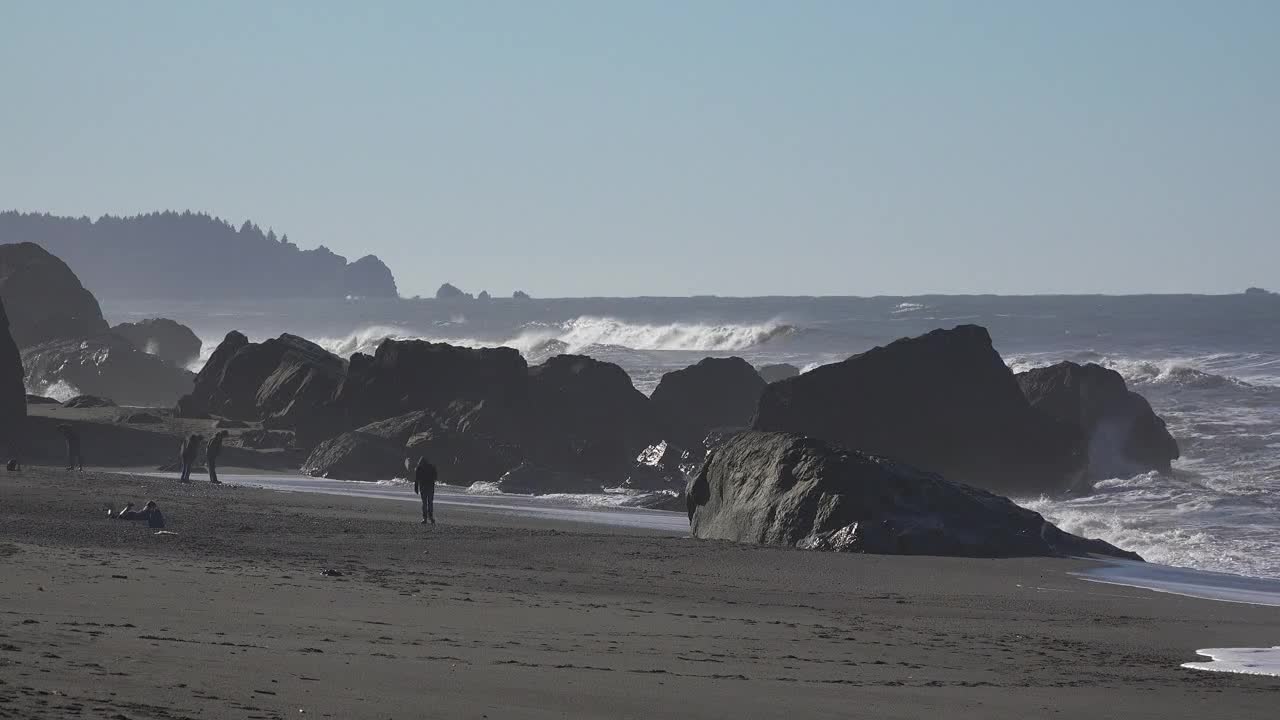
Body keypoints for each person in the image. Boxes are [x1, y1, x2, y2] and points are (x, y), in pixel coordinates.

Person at [412, 456, 437, 525]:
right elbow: (435, 477)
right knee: (430, 502)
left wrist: (416, 488)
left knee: (424, 503)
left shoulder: (419, 468)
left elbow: (417, 479)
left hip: (423, 487)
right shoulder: (431, 467)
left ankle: (425, 518)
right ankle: (431, 517)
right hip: (430, 487)